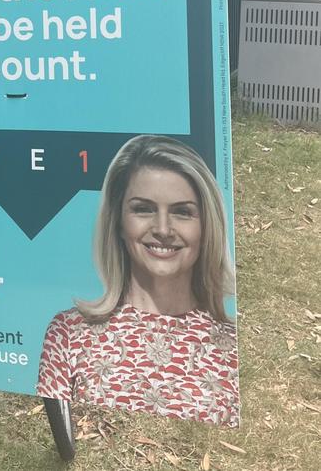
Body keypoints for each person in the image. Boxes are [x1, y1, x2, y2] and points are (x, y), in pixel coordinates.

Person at [37, 135, 239, 426]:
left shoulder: (233, 346)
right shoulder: (69, 334)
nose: (162, 229)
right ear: (118, 221)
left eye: (182, 212)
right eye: (143, 209)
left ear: (207, 226)